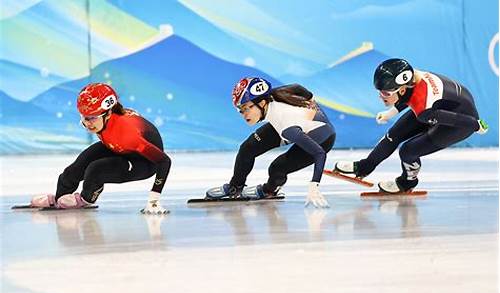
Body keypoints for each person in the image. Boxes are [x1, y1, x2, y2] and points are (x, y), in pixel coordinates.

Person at [335, 58, 488, 193]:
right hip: (442, 104)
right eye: (380, 92)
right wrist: (390, 113)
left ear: (401, 89)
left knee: (408, 151)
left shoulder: (423, 108)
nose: (381, 97)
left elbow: (452, 118)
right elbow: (408, 97)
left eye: (386, 93)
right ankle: (364, 167)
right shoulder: (412, 77)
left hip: (459, 122)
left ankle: (407, 182)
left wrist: (475, 125)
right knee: (393, 135)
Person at [30, 83, 171, 214]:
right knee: (79, 165)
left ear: (108, 113)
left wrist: (154, 199)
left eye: (92, 118)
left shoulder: (128, 133)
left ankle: (85, 199)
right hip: (120, 147)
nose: (87, 123)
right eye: (84, 117)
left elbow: (164, 161)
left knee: (96, 170)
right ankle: (59, 198)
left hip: (143, 162)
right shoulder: (103, 119)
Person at [206, 77, 336, 208]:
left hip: (322, 138)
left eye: (247, 108)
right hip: (293, 124)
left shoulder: (286, 127)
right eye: (241, 109)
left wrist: (314, 185)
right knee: (247, 148)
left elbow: (319, 153)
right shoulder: (271, 96)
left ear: (262, 103)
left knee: (277, 168)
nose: (244, 115)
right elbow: (298, 88)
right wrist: (311, 102)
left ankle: (269, 190)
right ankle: (235, 187)